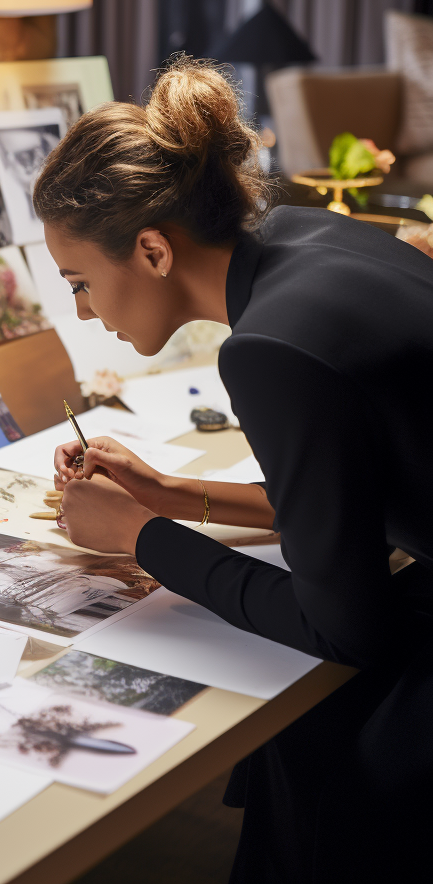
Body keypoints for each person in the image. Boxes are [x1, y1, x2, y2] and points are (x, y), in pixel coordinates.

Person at [35, 57, 433, 884]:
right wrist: (169, 493)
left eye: (80, 284)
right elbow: (342, 501)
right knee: (295, 740)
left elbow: (346, 629)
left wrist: (147, 538)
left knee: (330, 752)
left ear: (150, 249)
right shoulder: (304, 234)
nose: (83, 311)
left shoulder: (267, 349)